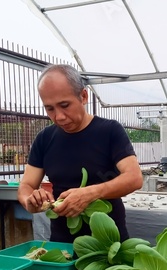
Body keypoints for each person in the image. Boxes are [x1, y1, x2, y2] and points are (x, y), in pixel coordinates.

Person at [18, 64, 143, 243]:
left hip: (108, 244)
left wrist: (90, 193)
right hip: (62, 246)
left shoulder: (109, 131)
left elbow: (134, 178)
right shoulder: (45, 139)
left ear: (83, 96)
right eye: (50, 108)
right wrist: (30, 200)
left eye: (64, 105)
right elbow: (27, 185)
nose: (59, 116)